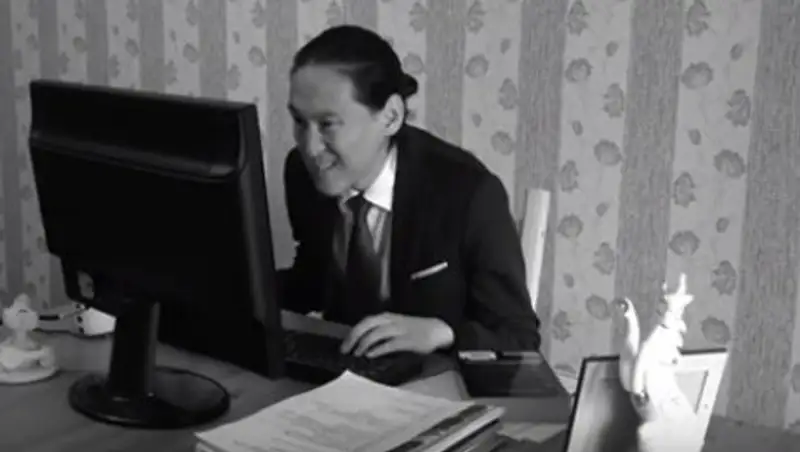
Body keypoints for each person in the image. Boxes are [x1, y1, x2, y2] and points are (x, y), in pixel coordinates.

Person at [281, 25, 540, 358]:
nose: (310, 147)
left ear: (390, 117)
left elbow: (519, 337)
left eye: (327, 124)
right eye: (299, 121)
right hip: (344, 366)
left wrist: (444, 333)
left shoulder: (469, 193)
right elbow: (312, 281)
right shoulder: (301, 173)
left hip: (437, 376)